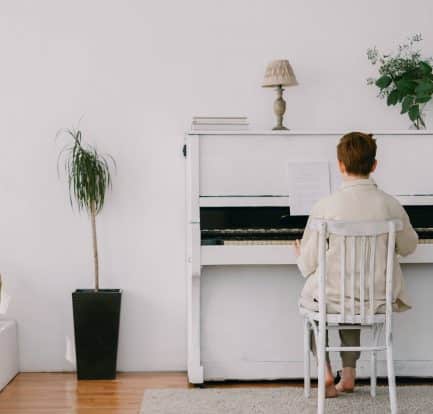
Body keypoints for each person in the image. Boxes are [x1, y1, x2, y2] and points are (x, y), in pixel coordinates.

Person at [294, 131, 418, 398]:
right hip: (375, 298)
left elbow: (308, 262)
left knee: (315, 300)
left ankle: (324, 369)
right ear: (374, 166)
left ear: (340, 165)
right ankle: (349, 375)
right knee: (352, 296)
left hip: (334, 297)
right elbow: (409, 247)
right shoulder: (390, 205)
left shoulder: (324, 206)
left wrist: (300, 253)